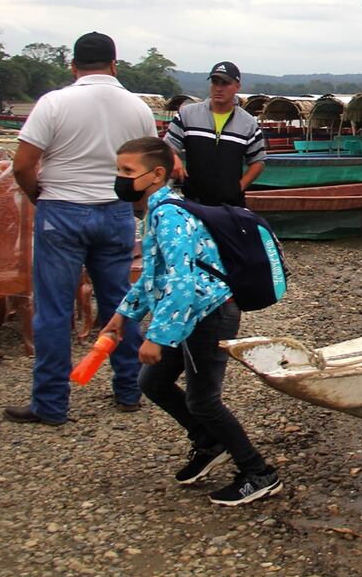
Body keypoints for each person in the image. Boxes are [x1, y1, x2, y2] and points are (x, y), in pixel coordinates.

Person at [101, 137, 281, 506]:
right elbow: (155, 276)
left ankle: (258, 472)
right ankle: (209, 442)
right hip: (191, 315)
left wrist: (157, 337)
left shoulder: (169, 215)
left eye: (127, 172)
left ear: (157, 174)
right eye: (119, 170)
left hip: (210, 314)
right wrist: (122, 316)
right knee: (153, 381)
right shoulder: (156, 211)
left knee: (203, 401)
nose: (120, 178)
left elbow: (182, 284)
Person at [4, 32, 154, 426]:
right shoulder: (137, 108)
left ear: (73, 66)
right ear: (114, 65)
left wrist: (42, 197)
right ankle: (129, 390)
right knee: (122, 303)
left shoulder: (53, 103)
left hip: (62, 210)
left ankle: (51, 404)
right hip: (116, 212)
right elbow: (146, 170)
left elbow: (22, 165)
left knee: (54, 311)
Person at [165, 61, 266, 206]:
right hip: (194, 201)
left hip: (231, 205)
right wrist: (174, 159)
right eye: (215, 82)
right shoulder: (187, 115)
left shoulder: (248, 123)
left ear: (237, 87)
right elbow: (167, 147)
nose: (219, 88)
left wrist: (239, 187)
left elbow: (258, 161)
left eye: (225, 83)